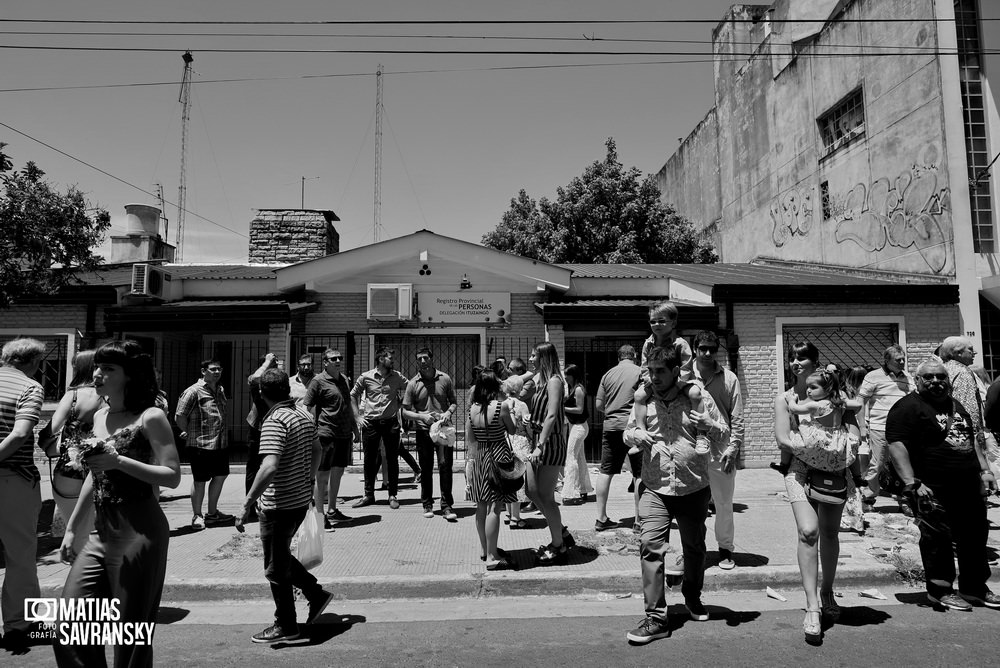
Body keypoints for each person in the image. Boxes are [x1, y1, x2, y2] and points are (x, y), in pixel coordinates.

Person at [54, 340, 182, 667]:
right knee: (69, 624)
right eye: (97, 366)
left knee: (130, 632)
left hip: (140, 531)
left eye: (108, 368)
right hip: (100, 532)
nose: (97, 374)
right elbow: (93, 477)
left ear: (130, 376)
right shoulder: (99, 416)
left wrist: (120, 462)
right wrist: (71, 530)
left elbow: (171, 475)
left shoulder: (151, 416)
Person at [623, 346, 728, 645]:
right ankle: (656, 618)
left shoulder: (696, 394)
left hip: (693, 486)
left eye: (660, 371)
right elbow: (628, 431)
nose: (654, 377)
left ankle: (692, 596)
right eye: (651, 370)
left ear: (674, 371)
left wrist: (711, 427)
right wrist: (635, 436)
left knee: (694, 547)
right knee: (650, 545)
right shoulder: (643, 398)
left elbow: (723, 431)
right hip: (655, 486)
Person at [886, 359, 999, 611]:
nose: (935, 381)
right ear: (917, 380)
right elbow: (896, 446)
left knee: (974, 537)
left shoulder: (955, 405)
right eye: (929, 377)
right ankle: (940, 591)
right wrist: (911, 482)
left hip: (969, 485)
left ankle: (974, 588)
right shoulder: (906, 408)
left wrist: (985, 470)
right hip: (931, 487)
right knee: (937, 540)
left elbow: (970, 439)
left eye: (940, 377)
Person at [236, 368, 333, 643]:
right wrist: (308, 477)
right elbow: (318, 449)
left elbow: (268, 466)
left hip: (278, 505)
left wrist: (246, 503)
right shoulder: (303, 414)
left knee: (275, 568)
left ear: (261, 393)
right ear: (287, 390)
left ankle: (287, 626)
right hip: (299, 501)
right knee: (279, 557)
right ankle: (315, 593)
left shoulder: (275, 420)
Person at [773, 341, 860, 644]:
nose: (796, 362)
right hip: (800, 470)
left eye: (802, 357)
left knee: (830, 532)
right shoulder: (786, 399)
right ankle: (812, 606)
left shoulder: (837, 395)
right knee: (808, 531)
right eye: (792, 358)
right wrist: (813, 447)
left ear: (815, 361)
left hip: (834, 470)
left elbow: (853, 428)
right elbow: (783, 438)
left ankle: (827, 592)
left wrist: (847, 444)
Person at [0, 338, 46, 651]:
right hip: (13, 479)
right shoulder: (29, 386)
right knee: (20, 554)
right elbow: (20, 433)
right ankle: (19, 625)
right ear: (32, 362)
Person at [513, 342, 575, 565]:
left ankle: (559, 546)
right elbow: (521, 383)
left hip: (550, 443)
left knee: (547, 497)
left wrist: (541, 444)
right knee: (530, 491)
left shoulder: (555, 381)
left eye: (533, 356)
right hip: (537, 439)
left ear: (544, 358)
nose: (530, 359)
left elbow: (551, 416)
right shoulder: (541, 379)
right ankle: (562, 532)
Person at [40, 350, 103, 555]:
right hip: (103, 468)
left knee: (74, 530)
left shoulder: (73, 395)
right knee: (98, 533)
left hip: (70, 470)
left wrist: (52, 443)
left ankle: (79, 577)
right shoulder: (112, 395)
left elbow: (51, 429)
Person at [690, 331, 744, 570]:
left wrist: (733, 449)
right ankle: (692, 551)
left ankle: (725, 549)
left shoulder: (729, 378)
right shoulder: (683, 375)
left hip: (721, 451)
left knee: (723, 504)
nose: (708, 353)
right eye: (703, 348)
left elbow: (738, 418)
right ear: (695, 349)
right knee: (691, 506)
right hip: (689, 451)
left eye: (712, 348)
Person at [466, 370, 519, 570]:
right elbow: (512, 430)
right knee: (495, 507)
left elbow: (471, 438)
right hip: (499, 454)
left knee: (481, 505)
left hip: (480, 455)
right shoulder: (501, 406)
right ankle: (492, 555)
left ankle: (483, 548)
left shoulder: (472, 409)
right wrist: (512, 412)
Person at [303, 348, 360, 529]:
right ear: (325, 362)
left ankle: (333, 510)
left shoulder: (344, 380)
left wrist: (355, 429)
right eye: (333, 358)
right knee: (322, 475)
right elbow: (308, 406)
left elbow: (348, 405)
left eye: (339, 358)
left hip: (343, 434)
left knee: (338, 472)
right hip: (325, 433)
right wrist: (312, 431)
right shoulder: (317, 381)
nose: (337, 361)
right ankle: (320, 516)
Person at [175, 358, 234, 529]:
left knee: (221, 475)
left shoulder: (220, 390)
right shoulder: (193, 392)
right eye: (213, 369)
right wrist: (185, 431)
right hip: (200, 444)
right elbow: (180, 415)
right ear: (203, 371)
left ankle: (212, 513)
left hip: (220, 443)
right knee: (200, 480)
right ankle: (197, 515)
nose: (217, 372)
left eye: (219, 369)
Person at [402, 347, 459, 521]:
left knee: (445, 467)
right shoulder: (413, 383)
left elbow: (454, 402)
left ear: (432, 359)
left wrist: (448, 412)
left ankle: (446, 505)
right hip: (423, 431)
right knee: (426, 469)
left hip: (443, 431)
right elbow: (405, 411)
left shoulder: (445, 378)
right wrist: (422, 416)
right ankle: (427, 504)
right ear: (417, 362)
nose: (423, 361)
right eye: (419, 359)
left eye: (426, 358)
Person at [351, 347, 409, 509]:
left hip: (391, 423)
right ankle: (369, 495)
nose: (393, 361)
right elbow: (353, 395)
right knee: (369, 460)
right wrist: (357, 417)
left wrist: (402, 402)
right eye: (390, 358)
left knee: (392, 459)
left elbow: (412, 388)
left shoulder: (397, 377)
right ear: (381, 359)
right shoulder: (366, 377)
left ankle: (393, 494)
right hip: (371, 423)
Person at [594, 345, 643, 533]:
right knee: (639, 473)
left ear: (618, 357)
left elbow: (599, 404)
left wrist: (613, 412)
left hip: (611, 426)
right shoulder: (640, 372)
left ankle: (601, 518)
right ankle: (639, 520)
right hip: (633, 428)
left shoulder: (608, 375)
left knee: (606, 470)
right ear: (635, 355)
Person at [857, 345, 915, 502]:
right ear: (886, 360)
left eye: (903, 359)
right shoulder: (873, 376)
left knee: (902, 464)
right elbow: (861, 400)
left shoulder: (909, 378)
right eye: (898, 359)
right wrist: (862, 426)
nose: (902, 362)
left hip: (903, 431)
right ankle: (869, 495)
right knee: (877, 464)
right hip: (879, 428)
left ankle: (905, 499)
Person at [246, 353, 279, 514]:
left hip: (276, 426)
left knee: (273, 466)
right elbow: (253, 379)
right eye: (273, 363)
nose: (275, 365)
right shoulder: (257, 381)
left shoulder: (277, 381)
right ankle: (251, 504)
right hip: (258, 427)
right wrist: (267, 362)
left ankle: (272, 502)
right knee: (253, 467)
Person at [501, 375, 533, 529]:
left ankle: (508, 514)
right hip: (520, 441)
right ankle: (516, 517)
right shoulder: (522, 405)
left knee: (508, 478)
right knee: (518, 480)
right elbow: (527, 426)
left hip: (506, 442)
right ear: (520, 387)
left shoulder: (502, 404)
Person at [560, 364, 593, 505]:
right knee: (579, 457)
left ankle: (570, 491)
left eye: (567, 375)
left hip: (579, 427)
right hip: (575, 426)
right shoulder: (572, 389)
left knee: (571, 456)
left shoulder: (578, 389)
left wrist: (562, 408)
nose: (565, 377)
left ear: (573, 375)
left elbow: (579, 410)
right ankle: (583, 489)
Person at [640, 301, 693, 382]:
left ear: (673, 323)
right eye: (653, 322)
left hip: (678, 384)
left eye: (661, 321)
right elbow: (645, 369)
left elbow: (686, 370)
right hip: (653, 383)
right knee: (639, 395)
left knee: (694, 393)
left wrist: (675, 387)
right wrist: (651, 382)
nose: (657, 324)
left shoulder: (681, 344)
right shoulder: (648, 344)